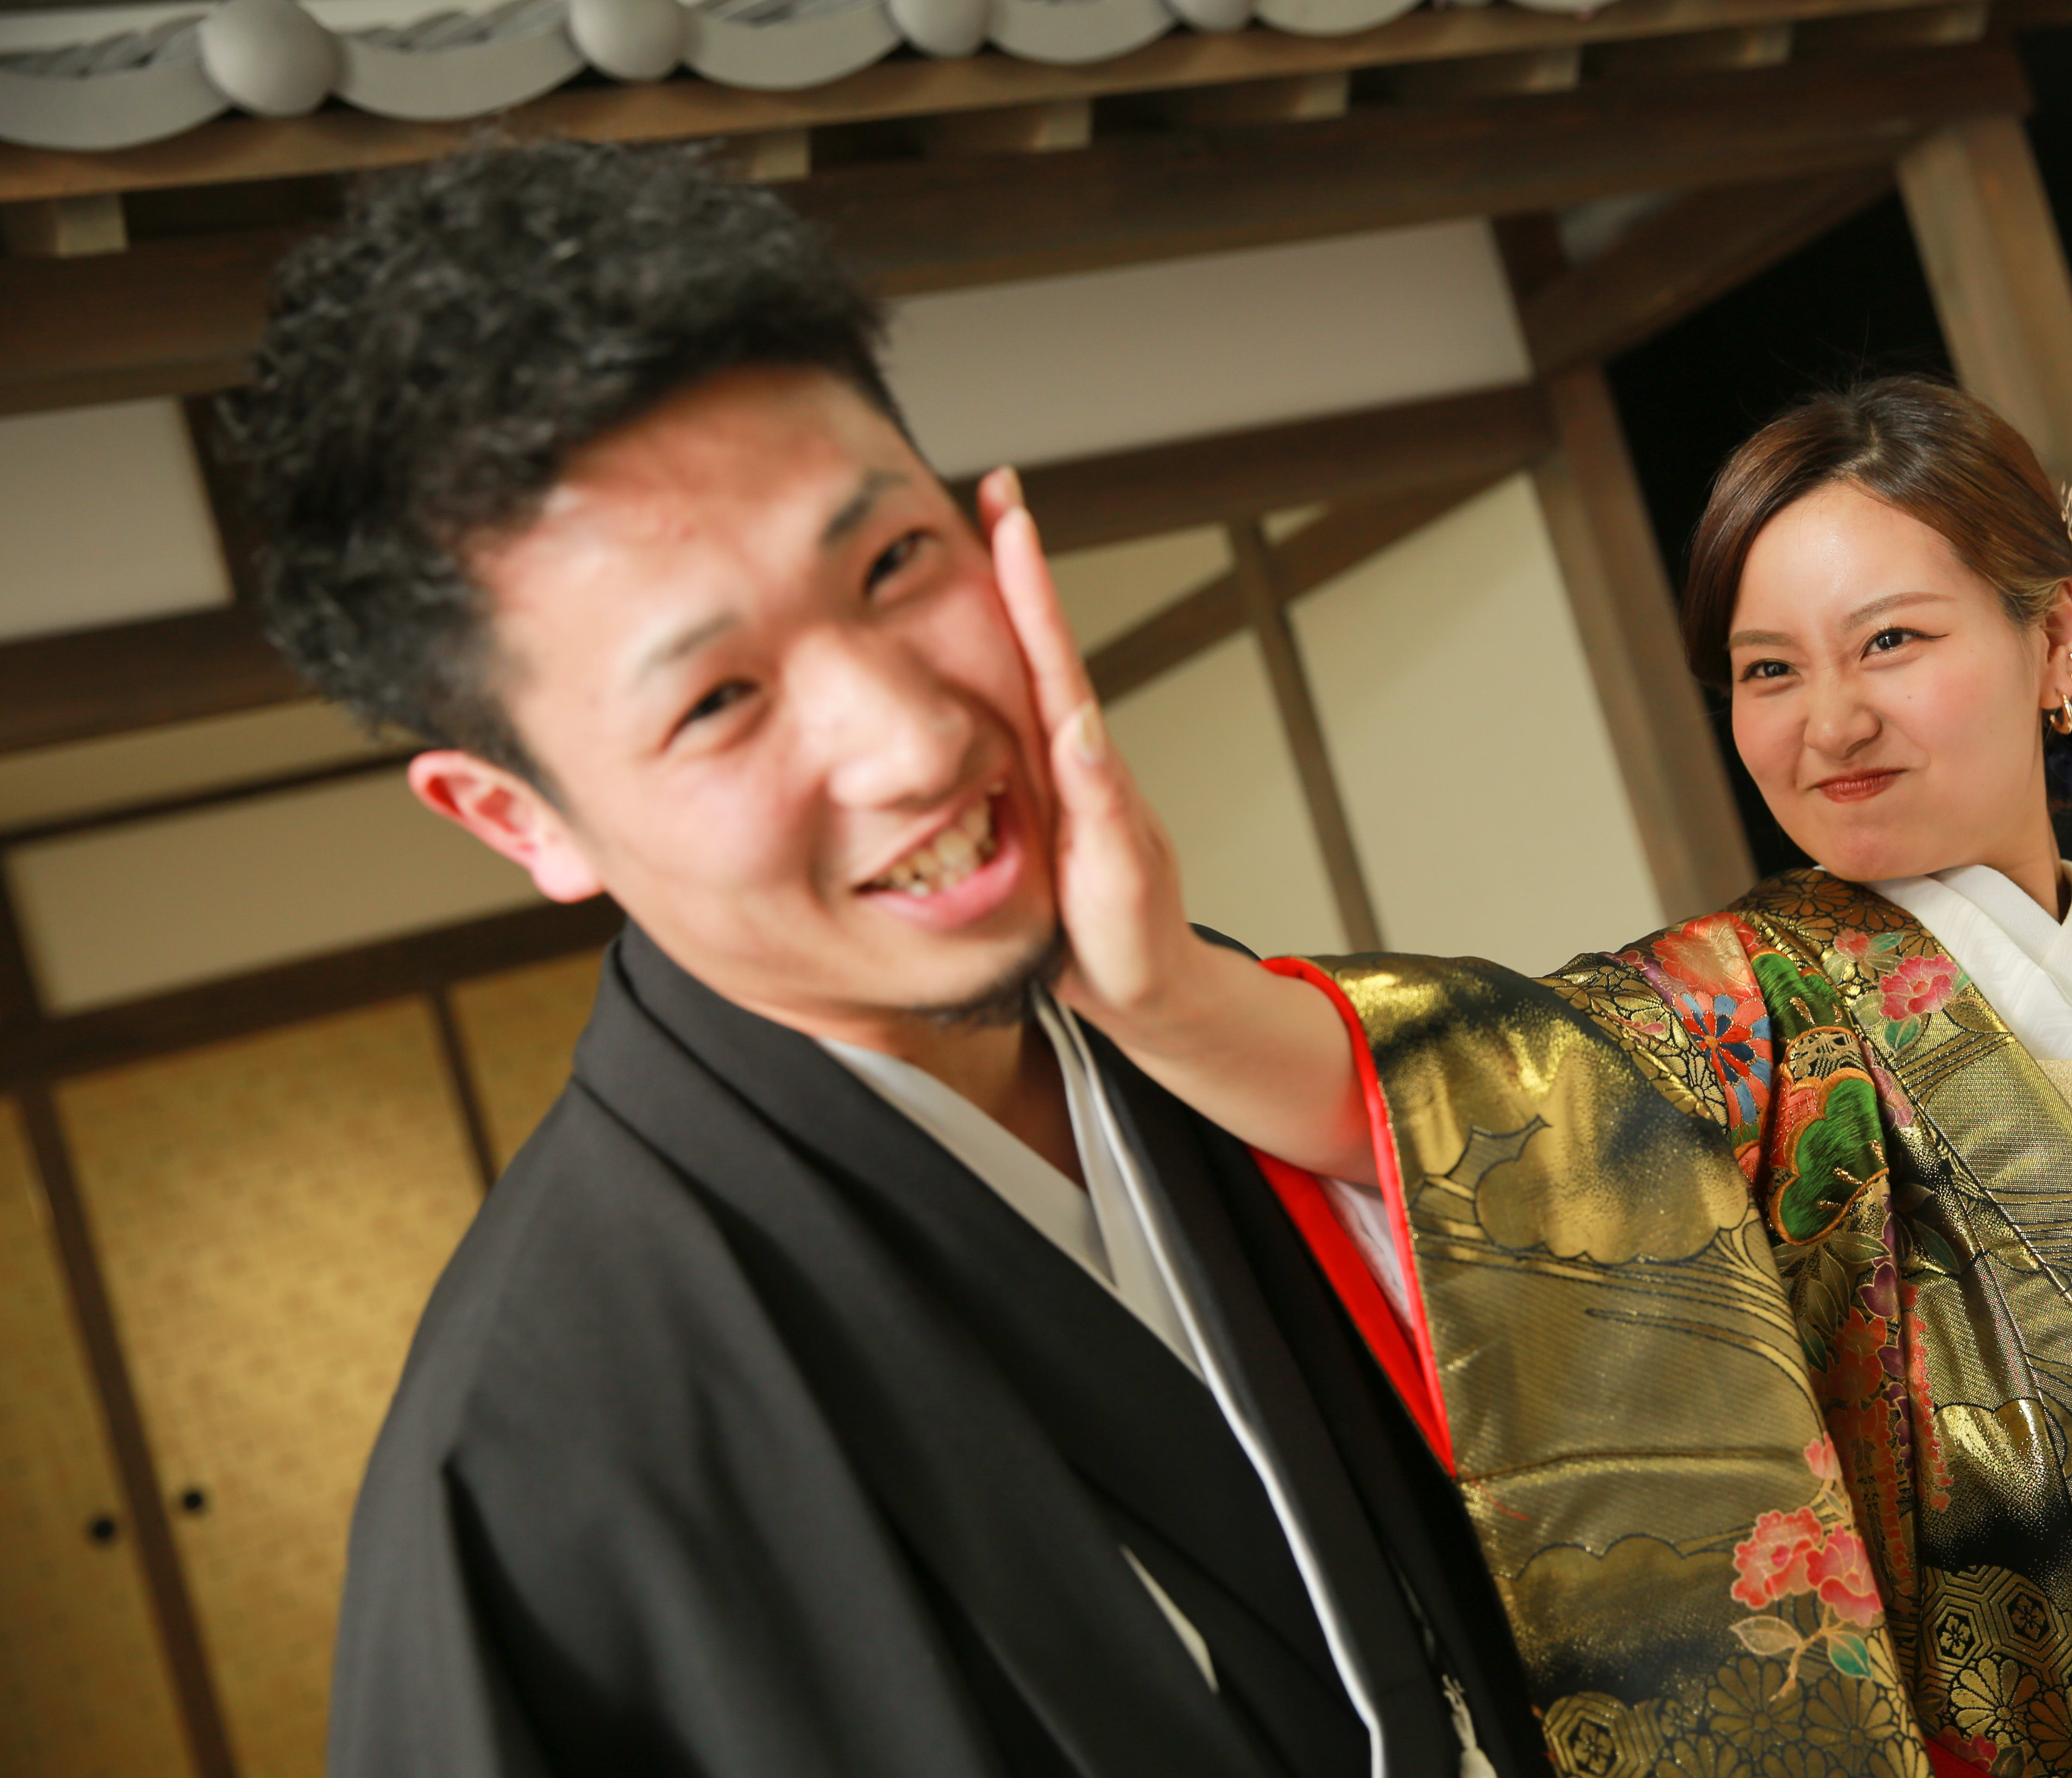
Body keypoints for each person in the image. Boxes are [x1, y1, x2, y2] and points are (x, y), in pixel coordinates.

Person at [1036, 379, 2072, 1775]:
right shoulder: (1742, 1010)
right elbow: (1434, 1099)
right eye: (1769, 671)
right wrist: (1152, 981)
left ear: (2056, 638)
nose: (1829, 724)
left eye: (1891, 640)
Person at [224, 139, 1538, 1778]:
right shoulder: (532, 1467)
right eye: (719, 700)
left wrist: (1221, 1031)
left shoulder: (1246, 1048)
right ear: (518, 818)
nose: (911, 741)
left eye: (896, 565)